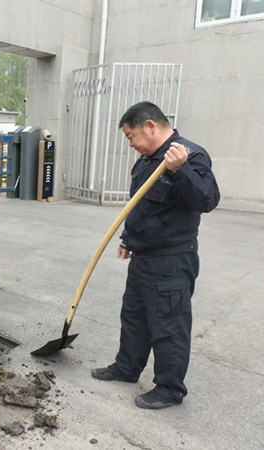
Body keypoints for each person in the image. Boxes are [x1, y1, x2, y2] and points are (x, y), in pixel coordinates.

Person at [91, 102, 220, 409]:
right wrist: (128, 239)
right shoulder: (147, 161)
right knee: (134, 316)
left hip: (171, 260)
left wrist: (181, 170)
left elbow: (207, 199)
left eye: (131, 136)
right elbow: (141, 206)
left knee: (169, 325)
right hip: (143, 256)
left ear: (150, 126)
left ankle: (170, 388)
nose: (131, 144)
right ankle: (127, 367)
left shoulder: (189, 155)